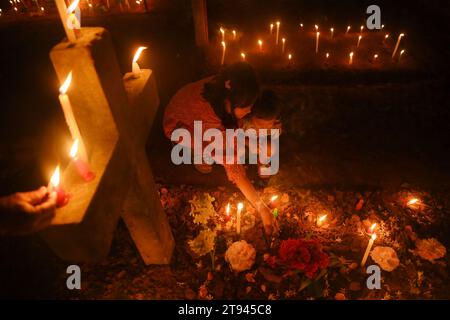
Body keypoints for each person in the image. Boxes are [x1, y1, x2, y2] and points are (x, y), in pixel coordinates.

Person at [163, 62, 275, 235]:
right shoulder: (208, 118)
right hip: (182, 128)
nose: (250, 109)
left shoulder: (224, 89)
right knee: (211, 155)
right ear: (229, 101)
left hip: (199, 117)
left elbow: (231, 127)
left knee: (236, 142)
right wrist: (262, 209)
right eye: (246, 106)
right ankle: (195, 153)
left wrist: (251, 144)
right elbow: (234, 169)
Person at [242, 89, 283, 179]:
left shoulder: (274, 128)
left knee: (270, 147)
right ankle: (239, 170)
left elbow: (271, 144)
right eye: (260, 124)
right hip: (243, 147)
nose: (264, 127)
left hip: (257, 149)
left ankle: (262, 164)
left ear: (275, 120)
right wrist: (249, 142)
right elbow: (233, 137)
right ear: (251, 117)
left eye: (268, 124)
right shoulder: (245, 124)